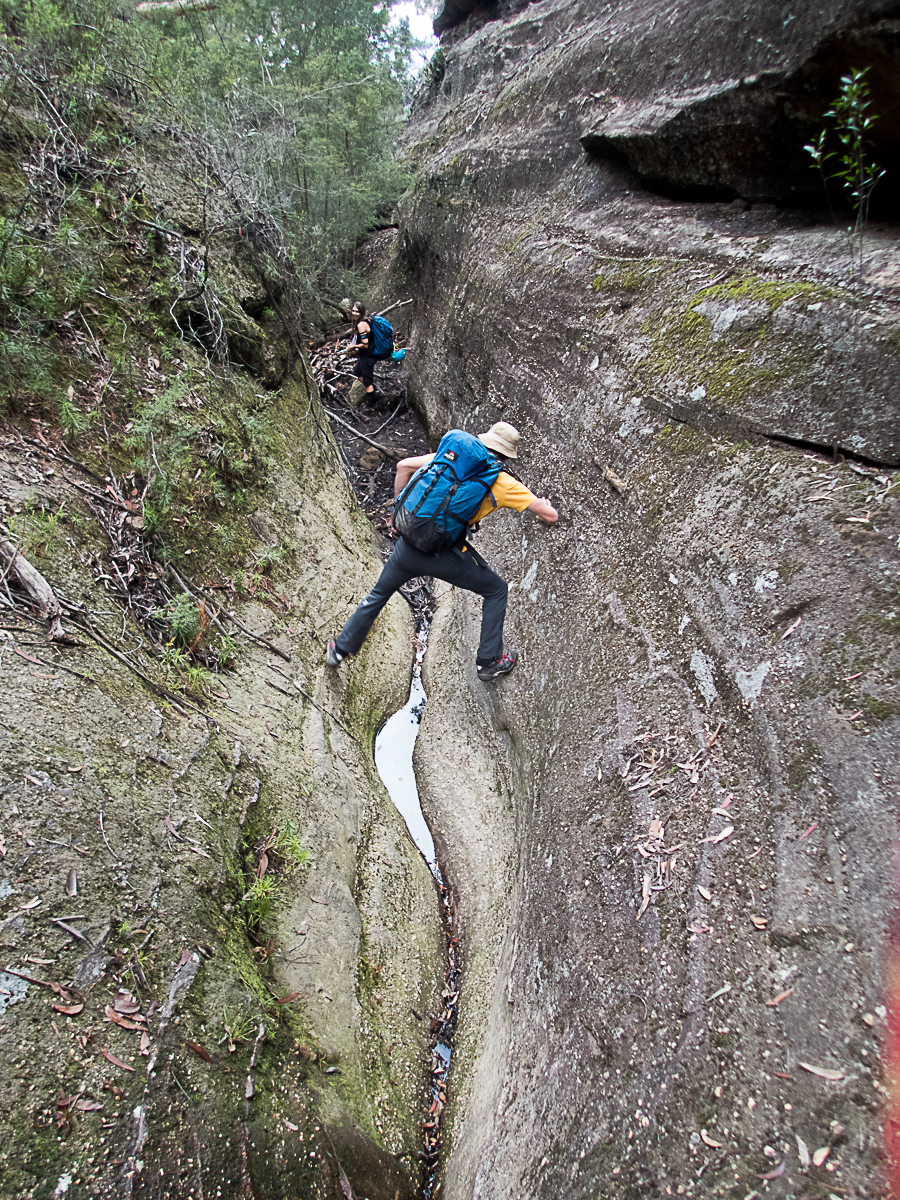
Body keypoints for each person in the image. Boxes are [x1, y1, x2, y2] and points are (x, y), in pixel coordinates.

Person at [326, 421, 558, 681]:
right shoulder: (502, 482)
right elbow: (551, 515)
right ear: (505, 455)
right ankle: (489, 661)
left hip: (407, 548)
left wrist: (397, 514)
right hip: (442, 555)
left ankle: (339, 650)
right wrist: (543, 510)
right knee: (496, 590)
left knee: (378, 594)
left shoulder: (451, 458)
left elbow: (403, 467)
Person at [343, 302, 378, 399]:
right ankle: (375, 392)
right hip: (365, 355)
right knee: (357, 373)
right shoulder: (364, 320)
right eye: (353, 311)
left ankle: (371, 404)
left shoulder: (361, 324)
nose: (354, 313)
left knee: (367, 383)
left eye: (357, 311)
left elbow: (365, 344)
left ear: (361, 312)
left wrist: (353, 346)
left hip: (368, 355)